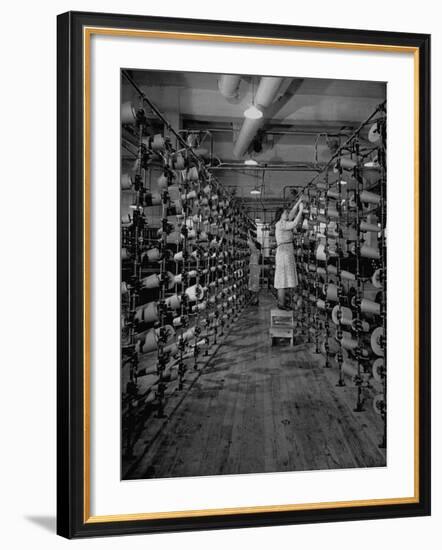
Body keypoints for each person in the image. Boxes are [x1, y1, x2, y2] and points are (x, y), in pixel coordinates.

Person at [273, 198, 304, 310]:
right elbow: (295, 222)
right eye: (285, 213)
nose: (287, 214)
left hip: (286, 252)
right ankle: (281, 304)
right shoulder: (280, 224)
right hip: (284, 254)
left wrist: (298, 202)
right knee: (282, 280)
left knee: (285, 279)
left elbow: (291, 214)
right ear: (281, 215)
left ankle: (283, 302)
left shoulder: (283, 222)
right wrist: (301, 210)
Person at [247, 231, 261, 305]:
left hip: (254, 270)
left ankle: (255, 300)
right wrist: (251, 237)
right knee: (254, 285)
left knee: (254, 286)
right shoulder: (256, 252)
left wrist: (249, 236)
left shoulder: (256, 251)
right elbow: (252, 244)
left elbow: (250, 244)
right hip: (254, 269)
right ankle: (255, 300)